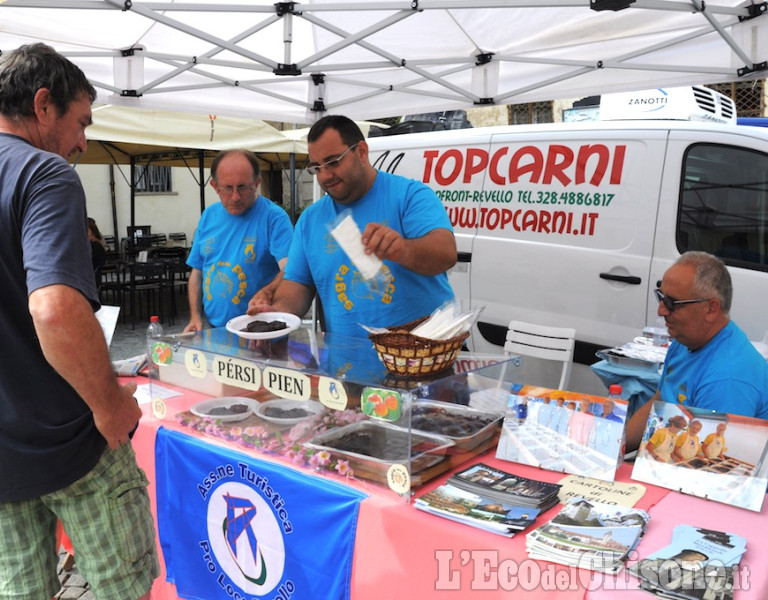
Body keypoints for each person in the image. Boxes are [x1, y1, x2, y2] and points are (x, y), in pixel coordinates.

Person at [0, 43, 158, 599]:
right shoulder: (43, 172)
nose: (82, 143)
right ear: (44, 106)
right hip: (70, 441)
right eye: (80, 123)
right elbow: (55, 308)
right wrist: (110, 404)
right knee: (124, 589)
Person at [248, 114, 456, 338]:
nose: (325, 175)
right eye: (317, 168)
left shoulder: (410, 195)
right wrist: (277, 314)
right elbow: (298, 284)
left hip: (421, 357)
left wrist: (402, 249)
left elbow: (445, 254)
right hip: (347, 363)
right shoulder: (310, 220)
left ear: (362, 152)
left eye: (333, 162)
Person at [627, 251, 768, 452]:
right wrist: (614, 449)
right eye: (661, 296)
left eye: (672, 303)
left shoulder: (727, 379)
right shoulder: (687, 339)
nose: (661, 310)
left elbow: (705, 470)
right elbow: (658, 402)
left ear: (711, 309)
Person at [184, 149, 293, 331]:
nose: (235, 196)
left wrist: (267, 291)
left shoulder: (273, 217)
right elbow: (196, 273)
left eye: (242, 187)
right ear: (214, 186)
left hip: (260, 331)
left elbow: (290, 269)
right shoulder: (209, 216)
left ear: (257, 183)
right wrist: (195, 317)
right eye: (227, 188)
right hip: (215, 328)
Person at [87, 217, 107, 288]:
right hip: (95, 279)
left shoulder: (94, 246)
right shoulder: (98, 244)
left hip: (90, 281)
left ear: (89, 232)